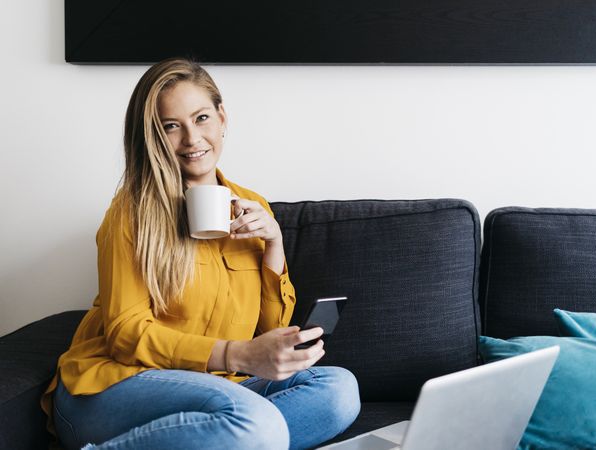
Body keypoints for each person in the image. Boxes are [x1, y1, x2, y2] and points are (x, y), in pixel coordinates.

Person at [40, 58, 360, 450]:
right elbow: (125, 336)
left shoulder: (252, 205)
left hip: (220, 388)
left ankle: (234, 438)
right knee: (254, 422)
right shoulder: (132, 213)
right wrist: (236, 355)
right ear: (153, 136)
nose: (192, 139)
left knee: (338, 390)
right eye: (171, 126)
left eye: (202, 118)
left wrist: (274, 244)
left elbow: (268, 331)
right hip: (115, 383)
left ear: (223, 117)